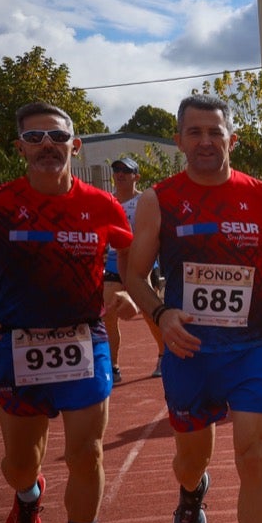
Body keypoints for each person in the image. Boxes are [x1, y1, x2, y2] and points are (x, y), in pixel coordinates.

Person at [123, 95, 262, 523]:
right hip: (190, 351)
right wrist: (160, 315)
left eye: (215, 132)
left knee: (252, 453)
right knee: (192, 456)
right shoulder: (160, 200)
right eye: (195, 132)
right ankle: (191, 489)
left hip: (252, 346)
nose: (206, 141)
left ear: (232, 139)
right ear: (179, 140)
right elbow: (136, 276)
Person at [0, 103, 138, 523]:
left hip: (85, 341)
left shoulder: (102, 205)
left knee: (87, 452)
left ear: (74, 146)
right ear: (20, 147)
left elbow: (131, 255)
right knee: (19, 461)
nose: (47, 145)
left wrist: (124, 289)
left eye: (57, 137)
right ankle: (27, 492)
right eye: (34, 137)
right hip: (15, 345)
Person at [105, 157, 167, 382]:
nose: (120, 173)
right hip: (113, 259)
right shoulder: (107, 201)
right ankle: (113, 365)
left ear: (136, 176)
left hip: (142, 258)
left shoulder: (144, 201)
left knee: (147, 309)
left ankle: (163, 353)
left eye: (126, 170)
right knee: (108, 312)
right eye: (116, 169)